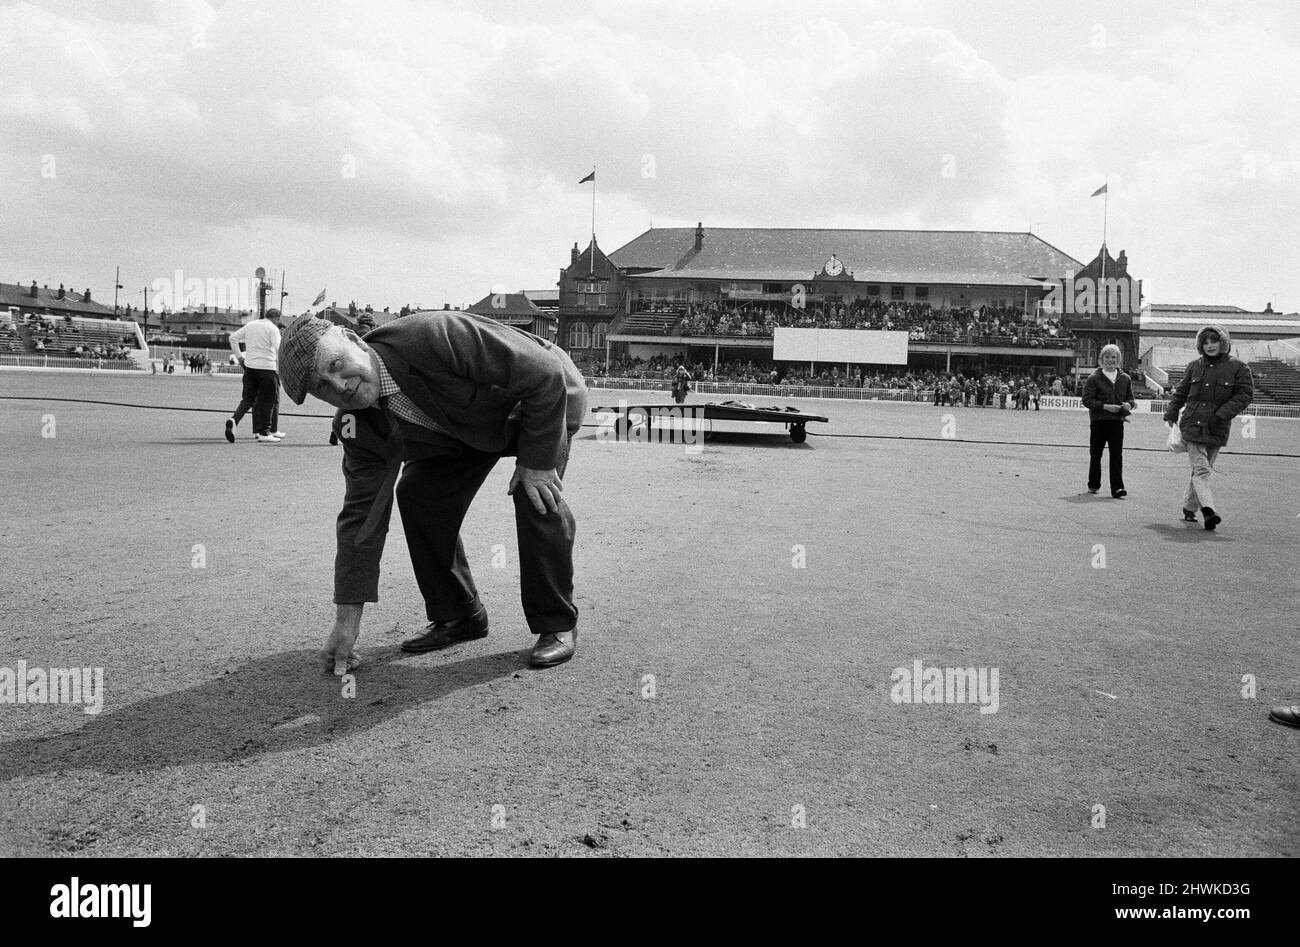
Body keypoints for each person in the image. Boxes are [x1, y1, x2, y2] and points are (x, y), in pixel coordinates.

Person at [277, 309, 587, 672]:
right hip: (461, 432)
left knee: (535, 491)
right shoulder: (355, 426)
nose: (340, 385)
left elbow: (544, 371)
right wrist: (347, 623)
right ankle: (460, 615)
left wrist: (536, 464)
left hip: (540, 401)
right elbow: (362, 517)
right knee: (418, 495)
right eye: (322, 387)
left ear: (354, 340)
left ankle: (557, 624)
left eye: (336, 365)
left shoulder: (433, 335)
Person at [1162, 325, 1253, 530]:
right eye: (1205, 342)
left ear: (1224, 343)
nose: (1210, 345)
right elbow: (1181, 393)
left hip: (1217, 427)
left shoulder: (1239, 367)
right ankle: (1208, 511)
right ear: (1200, 345)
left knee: (1200, 470)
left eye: (1214, 341)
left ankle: (1188, 507)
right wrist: (1172, 412)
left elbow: (1245, 395)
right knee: (1202, 469)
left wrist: (1222, 414)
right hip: (1192, 425)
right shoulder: (1194, 366)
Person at [1080, 344, 1135, 498]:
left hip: (1117, 423)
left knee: (1117, 455)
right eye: (1107, 356)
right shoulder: (1094, 378)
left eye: (1114, 357)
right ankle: (1093, 484)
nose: (1110, 360)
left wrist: (1128, 405)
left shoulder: (1125, 378)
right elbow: (1086, 400)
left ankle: (1117, 488)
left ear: (1119, 360)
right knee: (1096, 454)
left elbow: (1131, 398)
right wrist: (1105, 406)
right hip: (1098, 421)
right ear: (1101, 359)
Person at [226, 311, 284, 443]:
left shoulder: (251, 325)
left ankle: (234, 419)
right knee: (268, 400)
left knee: (248, 400)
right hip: (267, 368)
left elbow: (233, 338)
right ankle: (264, 432)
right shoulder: (273, 328)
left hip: (250, 367)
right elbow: (278, 349)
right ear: (276, 318)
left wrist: (240, 357)